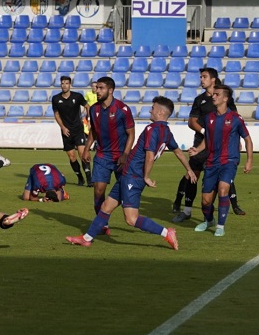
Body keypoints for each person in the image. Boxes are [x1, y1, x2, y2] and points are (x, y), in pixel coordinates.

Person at [67, 96, 196, 250]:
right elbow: (178, 152)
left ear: (161, 113)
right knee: (106, 207)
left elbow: (149, 155)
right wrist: (189, 169)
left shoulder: (152, 129)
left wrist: (146, 176)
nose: (150, 110)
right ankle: (86, 239)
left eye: (153, 108)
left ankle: (166, 232)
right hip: (128, 175)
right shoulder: (166, 131)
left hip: (133, 177)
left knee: (131, 219)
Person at [172, 68, 246, 222]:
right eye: (200, 77)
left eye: (204, 77)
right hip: (201, 143)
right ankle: (186, 211)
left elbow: (234, 119)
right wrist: (207, 132)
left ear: (213, 79)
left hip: (221, 146)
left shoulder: (225, 98)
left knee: (223, 175)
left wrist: (237, 140)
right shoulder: (199, 100)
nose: (201, 79)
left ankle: (233, 205)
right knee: (193, 175)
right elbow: (192, 122)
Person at [189, 85, 253, 237]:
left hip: (229, 161)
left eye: (217, 94)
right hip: (211, 162)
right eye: (214, 94)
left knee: (224, 189)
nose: (213, 96)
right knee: (205, 201)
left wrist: (249, 160)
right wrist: (198, 149)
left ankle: (220, 226)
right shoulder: (209, 118)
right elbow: (207, 139)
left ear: (225, 98)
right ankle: (209, 220)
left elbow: (248, 139)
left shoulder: (236, 119)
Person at [82, 76, 135, 233]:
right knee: (98, 190)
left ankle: (124, 216)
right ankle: (102, 224)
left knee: (124, 192)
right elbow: (94, 131)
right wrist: (86, 148)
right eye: (97, 88)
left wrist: (125, 154)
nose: (97, 91)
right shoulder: (93, 109)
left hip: (120, 157)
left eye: (101, 88)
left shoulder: (122, 109)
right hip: (102, 155)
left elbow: (131, 134)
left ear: (110, 90)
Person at [52, 76, 92, 186]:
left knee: (82, 154)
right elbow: (56, 115)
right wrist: (63, 128)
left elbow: (88, 107)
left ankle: (89, 178)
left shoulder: (77, 96)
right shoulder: (55, 99)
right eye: (62, 83)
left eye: (66, 83)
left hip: (78, 130)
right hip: (66, 132)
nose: (64, 85)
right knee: (72, 157)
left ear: (70, 85)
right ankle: (80, 178)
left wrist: (88, 120)